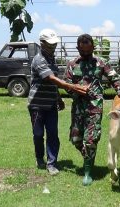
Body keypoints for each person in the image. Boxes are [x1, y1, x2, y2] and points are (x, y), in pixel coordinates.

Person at [65, 34, 120, 186]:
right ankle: (87, 158)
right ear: (78, 49)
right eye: (82, 51)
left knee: (91, 139)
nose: (85, 54)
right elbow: (66, 84)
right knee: (75, 139)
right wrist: (75, 90)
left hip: (94, 106)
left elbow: (114, 78)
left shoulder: (101, 63)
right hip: (78, 106)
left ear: (93, 48)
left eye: (88, 51)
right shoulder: (72, 64)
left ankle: (88, 171)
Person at [27, 29, 87, 176]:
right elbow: (52, 78)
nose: (53, 47)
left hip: (51, 104)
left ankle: (52, 163)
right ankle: (39, 158)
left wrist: (58, 98)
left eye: (54, 44)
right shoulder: (39, 59)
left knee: (53, 134)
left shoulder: (52, 59)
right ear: (42, 43)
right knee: (38, 134)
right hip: (37, 105)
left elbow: (53, 83)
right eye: (49, 44)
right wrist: (71, 87)